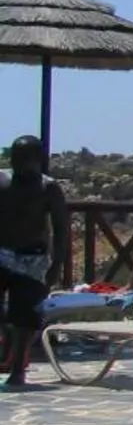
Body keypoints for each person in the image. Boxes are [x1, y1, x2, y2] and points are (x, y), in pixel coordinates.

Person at [0, 136, 70, 388]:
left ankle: (18, 369)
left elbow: (61, 228)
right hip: (3, 251)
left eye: (25, 159)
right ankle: (5, 344)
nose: (19, 164)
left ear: (37, 160)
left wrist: (56, 265)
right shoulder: (2, 180)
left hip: (34, 257)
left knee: (25, 316)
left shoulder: (48, 187)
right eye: (15, 158)